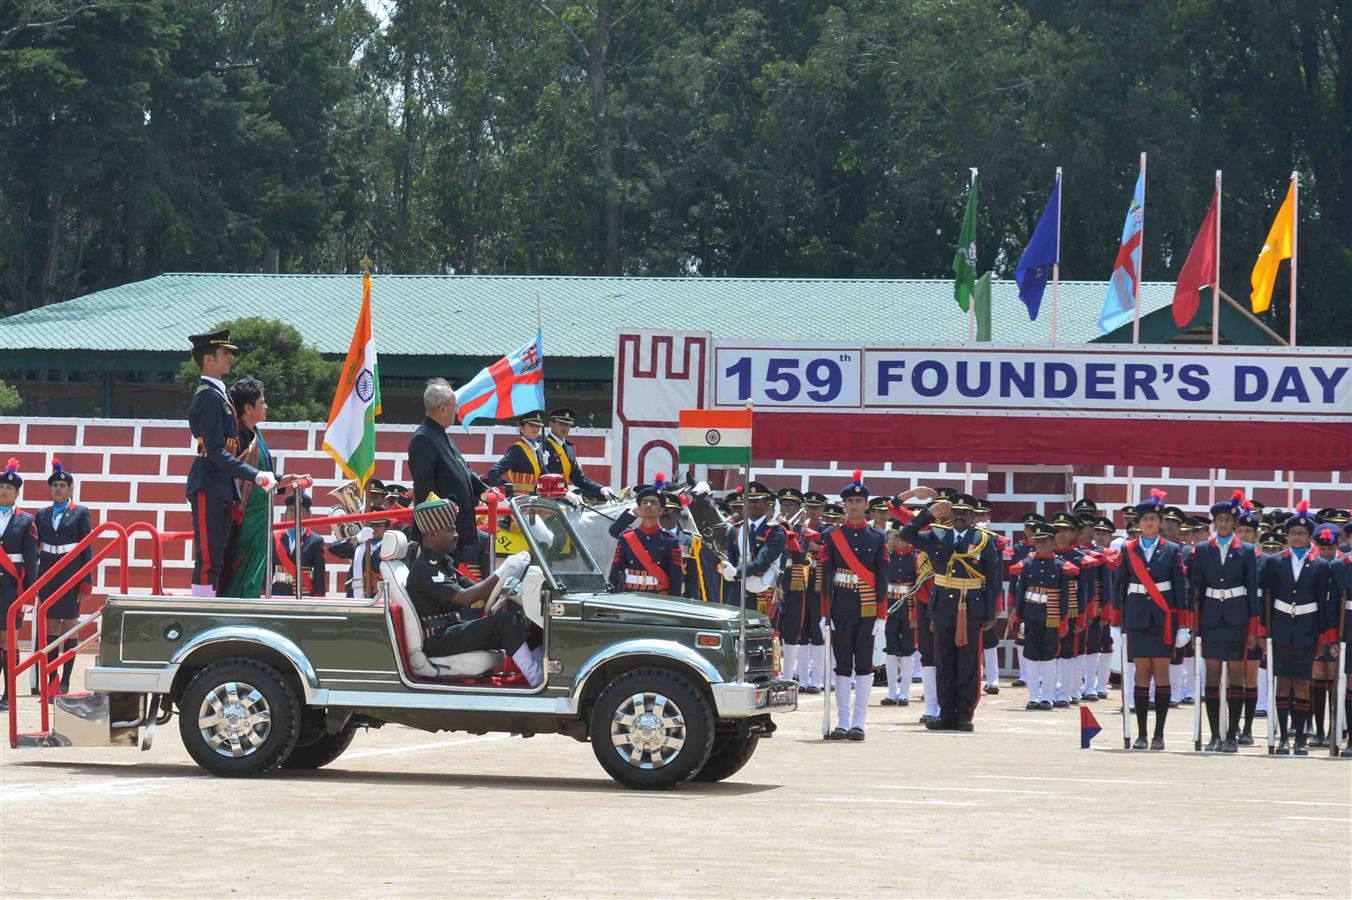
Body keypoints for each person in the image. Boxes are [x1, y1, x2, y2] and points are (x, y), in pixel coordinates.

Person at [404, 496, 541, 686]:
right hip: (438, 639)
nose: (456, 535)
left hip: (450, 632)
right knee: (505, 622)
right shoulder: (425, 567)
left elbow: (476, 589)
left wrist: (507, 579)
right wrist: (502, 570)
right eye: (450, 530)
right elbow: (465, 598)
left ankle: (541, 675)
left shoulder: (444, 563)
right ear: (432, 534)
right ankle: (536, 681)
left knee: (526, 622)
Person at [187, 330, 275, 596]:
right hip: (208, 482)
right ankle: (202, 613)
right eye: (225, 353)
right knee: (208, 558)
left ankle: (211, 605)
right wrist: (255, 475)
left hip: (221, 485)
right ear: (208, 360)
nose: (231, 358)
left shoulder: (219, 396)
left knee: (219, 557)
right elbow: (215, 451)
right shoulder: (207, 396)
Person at [1111, 490, 1189, 751]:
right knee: (1141, 674)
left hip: (1163, 617)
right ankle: (1142, 734)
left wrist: (1183, 624)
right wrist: (1115, 622)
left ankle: (1159, 734)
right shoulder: (1128, 549)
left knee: (1162, 674)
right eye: (1144, 519)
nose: (1149, 524)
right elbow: (1119, 586)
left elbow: (1180, 589)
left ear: (1161, 523)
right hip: (1137, 616)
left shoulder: (1172, 550)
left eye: (1154, 519)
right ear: (1138, 523)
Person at [818, 471, 888, 741]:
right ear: (844, 505)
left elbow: (882, 577)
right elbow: (825, 575)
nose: (855, 505)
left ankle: (860, 722)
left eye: (859, 501)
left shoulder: (878, 537)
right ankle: (843, 721)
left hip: (868, 607)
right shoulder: (832, 535)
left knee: (865, 665)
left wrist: (881, 614)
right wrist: (826, 613)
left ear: (866, 504)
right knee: (842, 664)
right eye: (850, 501)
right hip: (841, 606)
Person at [1262, 502, 1336, 755]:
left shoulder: (1321, 566)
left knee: (1303, 684)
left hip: (1307, 628)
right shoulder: (1274, 562)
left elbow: (1325, 605)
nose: (1297, 537)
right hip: (1282, 627)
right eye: (1293, 533)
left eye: (1302, 533)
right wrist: (1265, 631)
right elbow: (1267, 598)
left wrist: (1325, 635)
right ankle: (1284, 737)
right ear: (1288, 536)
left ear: (1310, 538)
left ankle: (1302, 738)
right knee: (1283, 683)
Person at [219, 376, 302, 598]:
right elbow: (240, 474)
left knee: (254, 574)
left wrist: (284, 479)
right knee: (241, 572)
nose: (266, 406)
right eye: (262, 402)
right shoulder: (238, 437)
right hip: (245, 520)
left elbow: (259, 474)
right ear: (247, 408)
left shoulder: (256, 433)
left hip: (258, 519)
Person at [1191, 490, 1260, 753]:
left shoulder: (1246, 550)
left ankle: (1232, 735)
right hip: (1210, 617)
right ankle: (1213, 734)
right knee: (1211, 676)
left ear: (1234, 524)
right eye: (1218, 519)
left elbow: (1252, 590)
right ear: (1214, 522)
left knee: (1235, 676)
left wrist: (1253, 628)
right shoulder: (1201, 550)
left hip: (1236, 617)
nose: (1222, 524)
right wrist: (1195, 624)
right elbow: (1196, 589)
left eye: (1227, 520)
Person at [408, 378, 490, 549]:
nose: (457, 411)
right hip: (440, 532)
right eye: (454, 406)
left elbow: (463, 470)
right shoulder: (423, 438)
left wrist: (485, 489)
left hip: (453, 529)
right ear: (443, 408)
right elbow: (426, 490)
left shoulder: (441, 435)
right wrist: (439, 530)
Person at [34, 460, 92, 695]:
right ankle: (51, 677)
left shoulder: (80, 512)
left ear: (70, 489)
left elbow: (87, 548)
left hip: (71, 572)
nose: (58, 489)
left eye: (62, 485)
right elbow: (35, 547)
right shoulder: (41, 514)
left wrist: (85, 580)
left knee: (69, 626)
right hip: (48, 570)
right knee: (50, 625)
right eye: (55, 485)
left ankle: (66, 679)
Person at [1008, 521, 1076, 710]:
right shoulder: (1028, 563)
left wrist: (1063, 619)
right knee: (1031, 655)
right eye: (1037, 540)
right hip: (1031, 614)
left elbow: (1064, 595)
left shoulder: (1060, 566)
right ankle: (1033, 696)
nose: (1040, 544)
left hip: (1051, 615)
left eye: (1044, 540)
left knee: (1049, 656)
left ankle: (1047, 696)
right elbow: (1022, 590)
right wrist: (1018, 615)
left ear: (1053, 542)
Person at [0, 459, 39, 711]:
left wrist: (28, 594)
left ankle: (8, 694)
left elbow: (31, 560)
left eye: (8, 488)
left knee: (8, 640)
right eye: (0, 487)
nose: (3, 491)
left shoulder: (26, 521)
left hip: (10, 586)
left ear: (17, 493)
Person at [608, 475, 683, 595]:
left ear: (661, 510)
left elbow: (676, 580)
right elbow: (615, 575)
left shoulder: (671, 541)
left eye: (653, 502)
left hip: (659, 602)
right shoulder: (626, 538)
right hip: (630, 600)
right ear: (639, 507)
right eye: (644, 502)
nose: (648, 505)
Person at [723, 481, 786, 613]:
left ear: (766, 503)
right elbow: (732, 559)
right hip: (738, 592)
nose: (752, 504)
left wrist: (736, 572)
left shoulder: (775, 531)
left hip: (763, 590)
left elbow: (762, 562)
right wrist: (727, 570)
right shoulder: (736, 530)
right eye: (749, 500)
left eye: (757, 501)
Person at [881, 521, 925, 706]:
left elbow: (920, 587)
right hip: (890, 604)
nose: (899, 540)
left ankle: (904, 692)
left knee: (907, 649)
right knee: (891, 647)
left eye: (903, 536)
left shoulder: (916, 557)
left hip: (908, 604)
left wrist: (915, 615)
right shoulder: (887, 556)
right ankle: (892, 691)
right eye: (896, 536)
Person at [1309, 523, 1343, 747]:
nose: (1327, 553)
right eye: (1323, 548)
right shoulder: (1315, 565)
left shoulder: (1342, 566)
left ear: (1338, 545)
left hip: (1336, 629)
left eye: (1330, 548)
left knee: (1334, 677)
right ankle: (1318, 729)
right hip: (1315, 626)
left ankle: (1335, 728)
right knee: (1317, 677)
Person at [543, 408, 616, 501]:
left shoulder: (568, 448)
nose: (565, 428)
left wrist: (600, 489)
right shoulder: (543, 446)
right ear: (551, 424)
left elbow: (578, 478)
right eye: (561, 424)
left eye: (568, 425)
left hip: (564, 498)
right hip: (547, 499)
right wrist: (563, 493)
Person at [270, 491, 328, 597]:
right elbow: (268, 570)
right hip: (279, 593)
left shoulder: (316, 540)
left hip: (304, 593)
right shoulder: (274, 538)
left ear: (308, 515)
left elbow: (319, 574)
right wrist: (263, 592)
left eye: (299, 510)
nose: (294, 514)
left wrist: (318, 598)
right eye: (291, 510)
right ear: (285, 514)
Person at [485, 411, 551, 496]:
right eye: (531, 425)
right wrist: (500, 495)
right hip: (520, 499)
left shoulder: (538, 450)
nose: (535, 429)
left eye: (538, 426)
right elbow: (494, 472)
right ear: (521, 429)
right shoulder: (517, 449)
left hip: (535, 499)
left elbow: (545, 477)